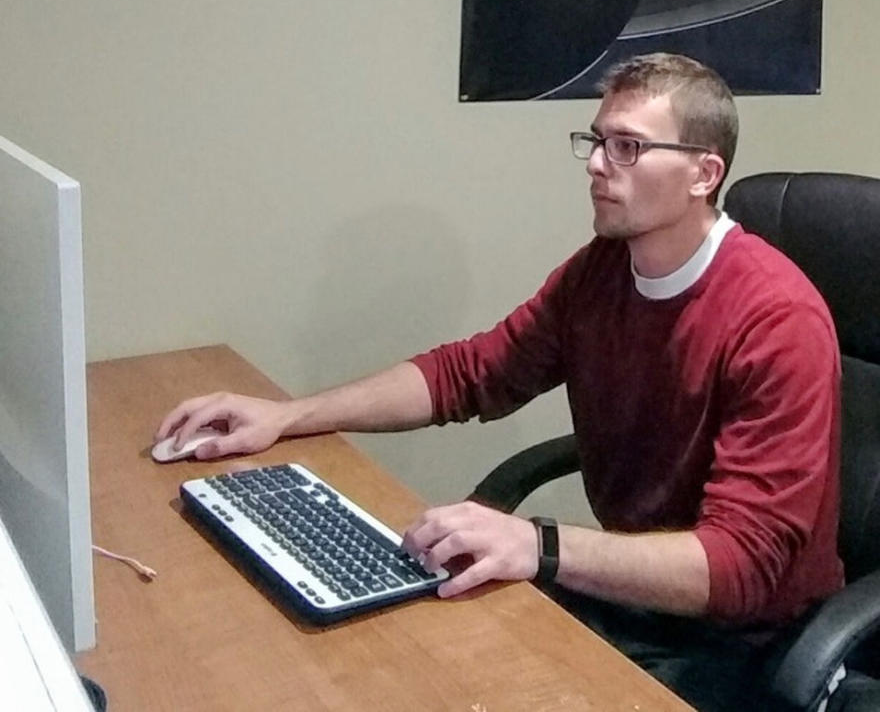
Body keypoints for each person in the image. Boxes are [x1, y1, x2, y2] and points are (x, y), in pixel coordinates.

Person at [156, 53, 843, 711]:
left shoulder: (777, 319)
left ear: (704, 173)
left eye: (629, 147)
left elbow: (741, 567)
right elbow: (470, 373)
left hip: (747, 647)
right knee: (409, 658)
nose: (599, 165)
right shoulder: (601, 271)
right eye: (596, 141)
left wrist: (537, 545)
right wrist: (287, 415)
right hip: (634, 605)